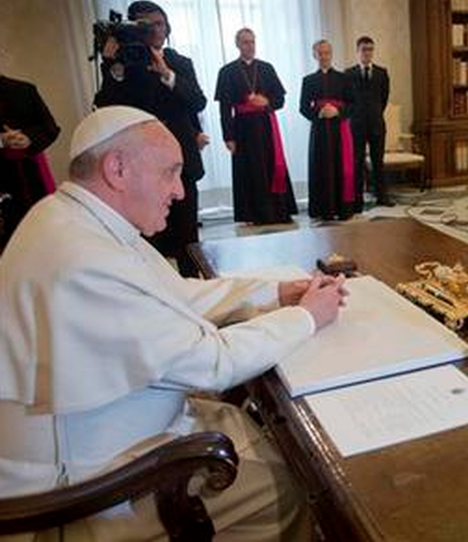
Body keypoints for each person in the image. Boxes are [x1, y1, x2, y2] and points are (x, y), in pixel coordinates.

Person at [0, 106, 348, 541]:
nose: (181, 192)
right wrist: (308, 317)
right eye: (170, 173)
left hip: (125, 432)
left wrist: (277, 293)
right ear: (117, 168)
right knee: (291, 487)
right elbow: (213, 364)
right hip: (87, 492)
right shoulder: (80, 258)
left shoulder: (73, 219)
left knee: (271, 431)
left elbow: (176, 295)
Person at [94, 0, 207, 277]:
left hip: (181, 161)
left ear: (167, 28)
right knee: (148, 242)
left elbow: (198, 101)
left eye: (159, 23)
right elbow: (105, 105)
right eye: (146, 25)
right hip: (140, 164)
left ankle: (197, 295)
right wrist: (110, 64)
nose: (155, 30)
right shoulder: (124, 64)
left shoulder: (180, 62)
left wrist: (167, 74)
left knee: (188, 239)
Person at [215, 28, 297, 224]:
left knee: (271, 167)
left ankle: (277, 211)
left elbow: (280, 99)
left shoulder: (267, 68)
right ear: (237, 44)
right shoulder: (227, 72)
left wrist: (266, 102)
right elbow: (225, 108)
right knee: (248, 170)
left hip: (266, 127)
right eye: (245, 42)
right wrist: (228, 137)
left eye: (252, 42)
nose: (249, 46)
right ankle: (253, 214)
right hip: (242, 129)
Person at [0, 73, 59, 248]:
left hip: (32, 173)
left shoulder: (24, 90)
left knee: (46, 232)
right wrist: (1, 140)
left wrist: (29, 138)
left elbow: (50, 127)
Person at [300, 39, 356, 220]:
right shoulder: (308, 80)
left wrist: (337, 111)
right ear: (314, 55)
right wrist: (319, 113)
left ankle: (342, 208)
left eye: (327, 53)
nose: (324, 57)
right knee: (321, 166)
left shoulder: (344, 78)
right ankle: (322, 209)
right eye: (320, 53)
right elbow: (303, 108)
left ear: (331, 54)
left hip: (340, 129)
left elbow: (353, 104)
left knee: (341, 167)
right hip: (320, 130)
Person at [345, 36, 392, 207]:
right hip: (356, 125)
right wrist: (355, 115)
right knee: (357, 162)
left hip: (377, 124)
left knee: (378, 161)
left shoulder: (382, 73)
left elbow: (384, 98)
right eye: (364, 49)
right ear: (358, 51)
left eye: (370, 49)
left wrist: (375, 114)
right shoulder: (348, 73)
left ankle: (382, 197)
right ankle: (357, 200)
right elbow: (346, 100)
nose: (368, 53)